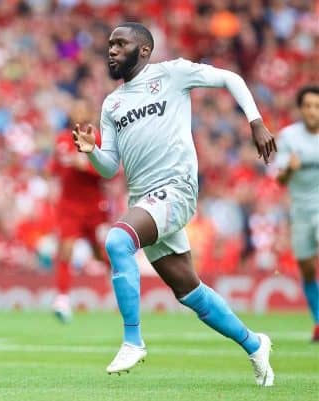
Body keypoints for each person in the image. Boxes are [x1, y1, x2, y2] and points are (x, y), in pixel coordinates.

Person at [72, 22, 276, 386]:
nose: (112, 50)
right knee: (189, 292)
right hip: (145, 200)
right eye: (110, 44)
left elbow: (231, 78)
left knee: (118, 241)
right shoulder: (113, 103)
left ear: (145, 50)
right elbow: (109, 167)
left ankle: (133, 340)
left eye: (121, 44)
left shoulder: (172, 74)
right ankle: (255, 343)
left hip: (175, 190)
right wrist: (91, 153)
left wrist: (256, 121)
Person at [49, 99, 109, 323]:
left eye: (81, 108)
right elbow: (56, 167)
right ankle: (62, 300)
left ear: (89, 113)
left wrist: (87, 165)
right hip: (70, 205)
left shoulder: (98, 138)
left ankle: (119, 281)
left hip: (94, 206)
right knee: (66, 248)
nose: (76, 112)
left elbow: (108, 171)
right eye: (74, 108)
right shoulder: (63, 138)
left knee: (100, 252)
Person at [275, 85, 319, 342]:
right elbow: (280, 180)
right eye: (308, 106)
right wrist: (290, 169)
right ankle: (317, 321)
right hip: (300, 209)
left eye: (316, 106)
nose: (312, 111)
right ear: (301, 109)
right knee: (305, 267)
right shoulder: (289, 137)